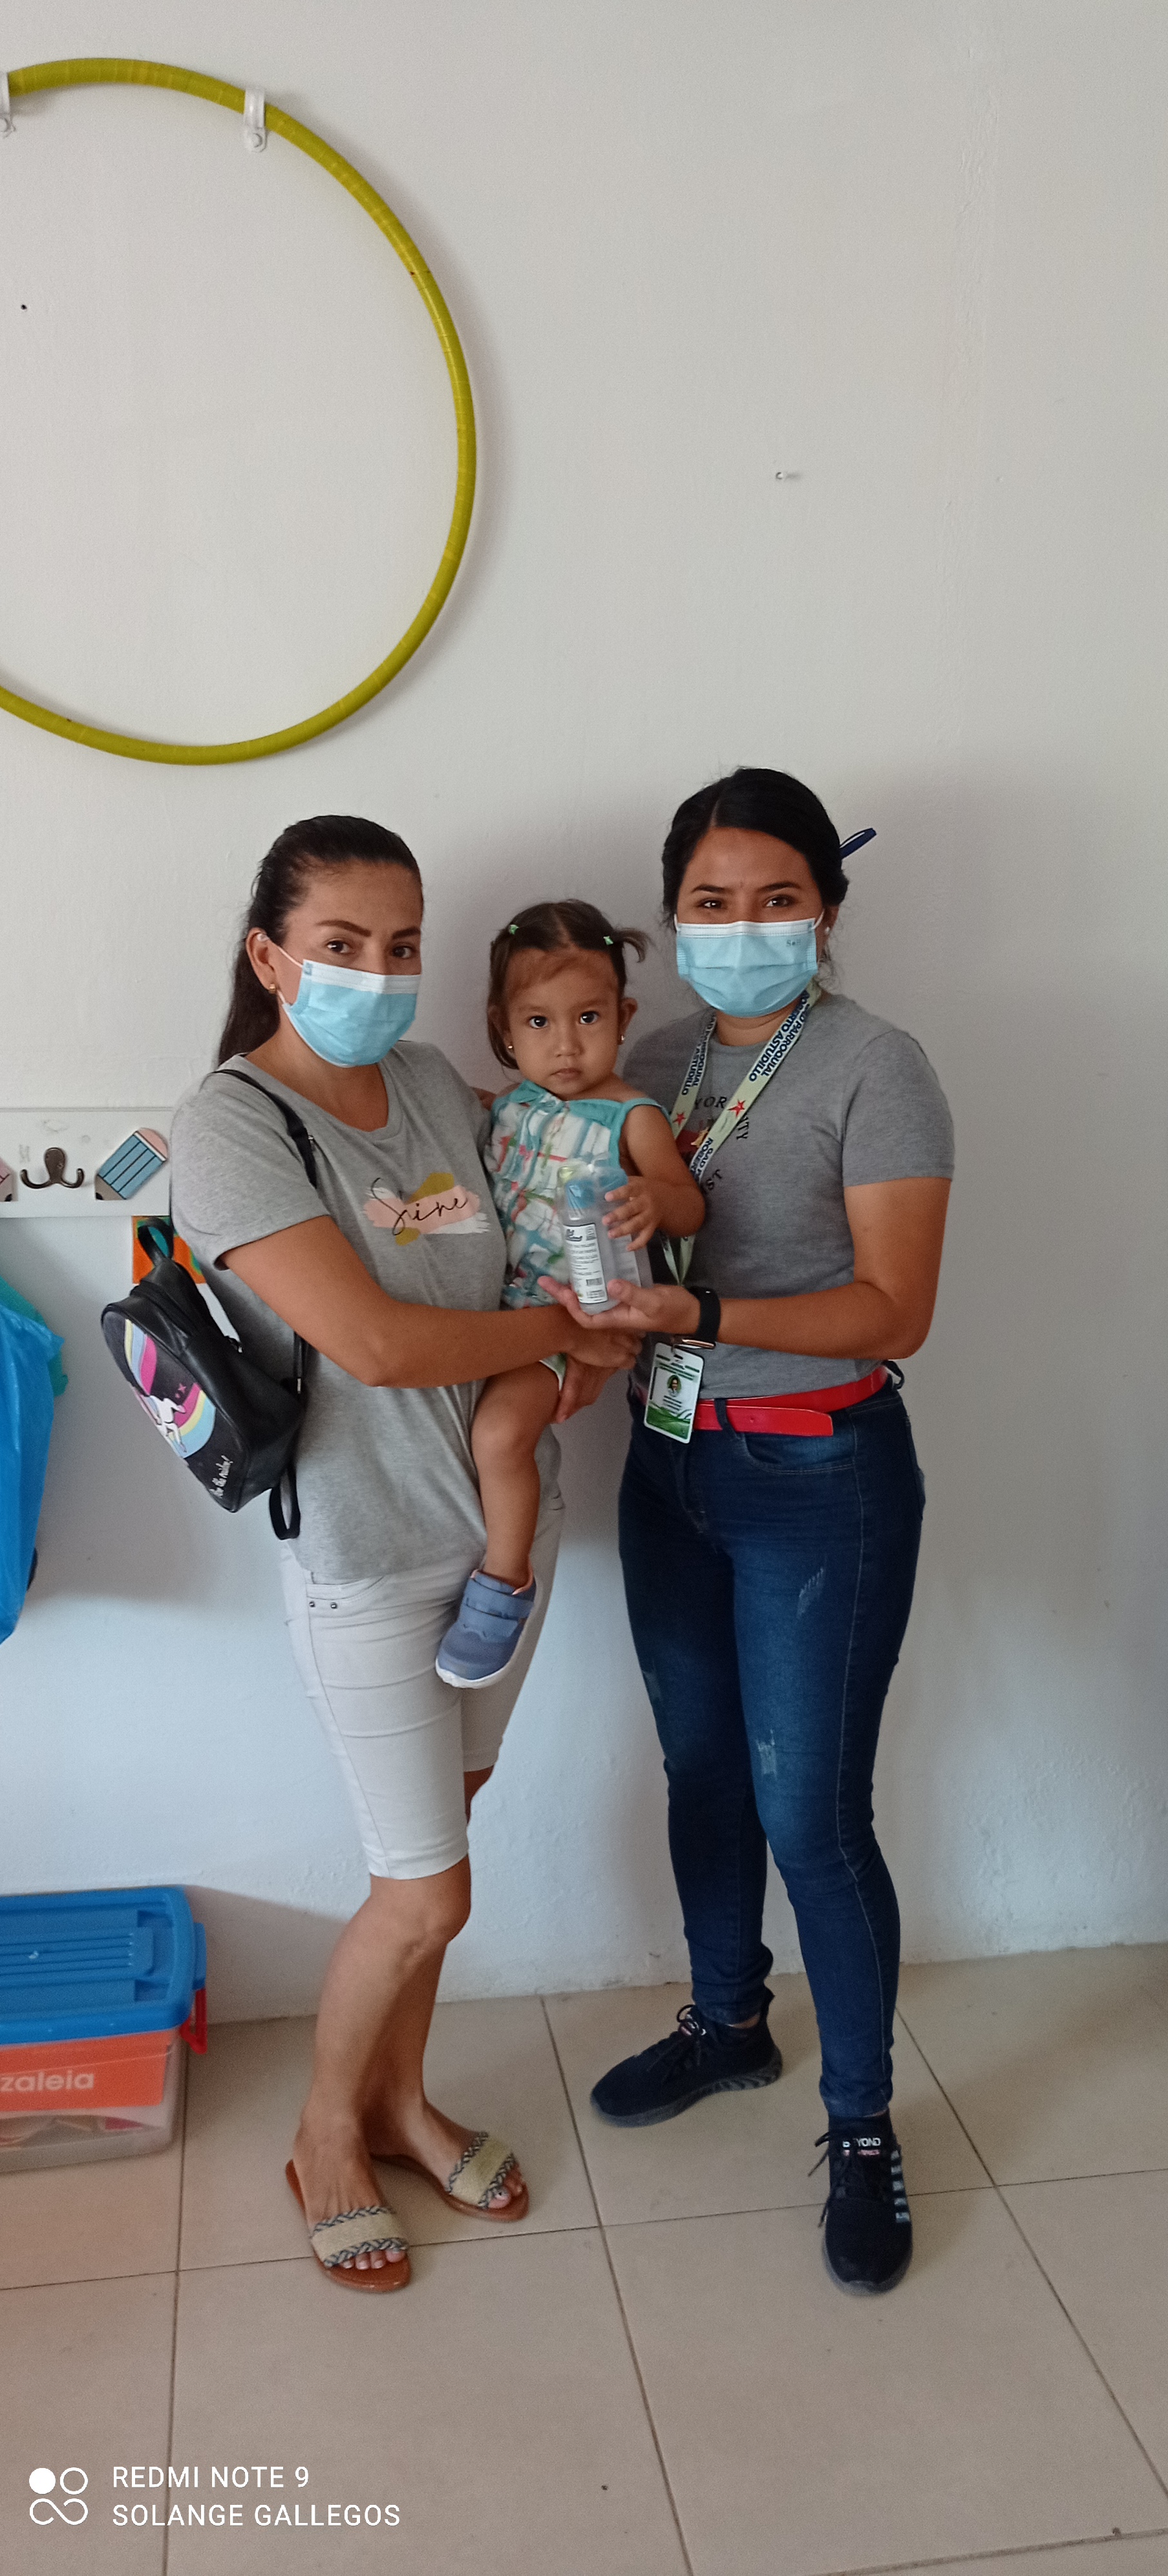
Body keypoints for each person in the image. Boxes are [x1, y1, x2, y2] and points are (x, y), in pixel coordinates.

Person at [170, 817, 637, 2293]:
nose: (376, 973)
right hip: (368, 1557)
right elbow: (373, 1343)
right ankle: (325, 2129)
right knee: (424, 1887)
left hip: (504, 1542)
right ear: (270, 957)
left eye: (401, 945)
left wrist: (594, 1302)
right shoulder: (235, 1123)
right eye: (341, 945)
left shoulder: (437, 1083)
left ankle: (400, 2104)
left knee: (451, 1835)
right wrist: (566, 1335)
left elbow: (533, 1236)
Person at [542, 768, 953, 2296]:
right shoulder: (642, 1062)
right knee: (701, 1770)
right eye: (708, 903)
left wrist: (700, 1317)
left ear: (824, 912)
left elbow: (892, 1308)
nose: (740, 926)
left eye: (773, 898)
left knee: (810, 1816)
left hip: (816, 1480)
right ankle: (726, 2023)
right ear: (669, 918)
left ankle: (860, 2124)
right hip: (669, 1469)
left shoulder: (876, 1065)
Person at [434, 900, 704, 1688]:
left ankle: (504, 1584)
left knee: (499, 1439)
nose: (566, 1044)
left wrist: (656, 1198)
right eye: (539, 1022)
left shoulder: (631, 1115)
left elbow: (689, 1207)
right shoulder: (509, 1105)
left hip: (567, 1315)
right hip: (488, 1310)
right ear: (503, 1028)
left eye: (588, 1018)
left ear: (623, 1018)